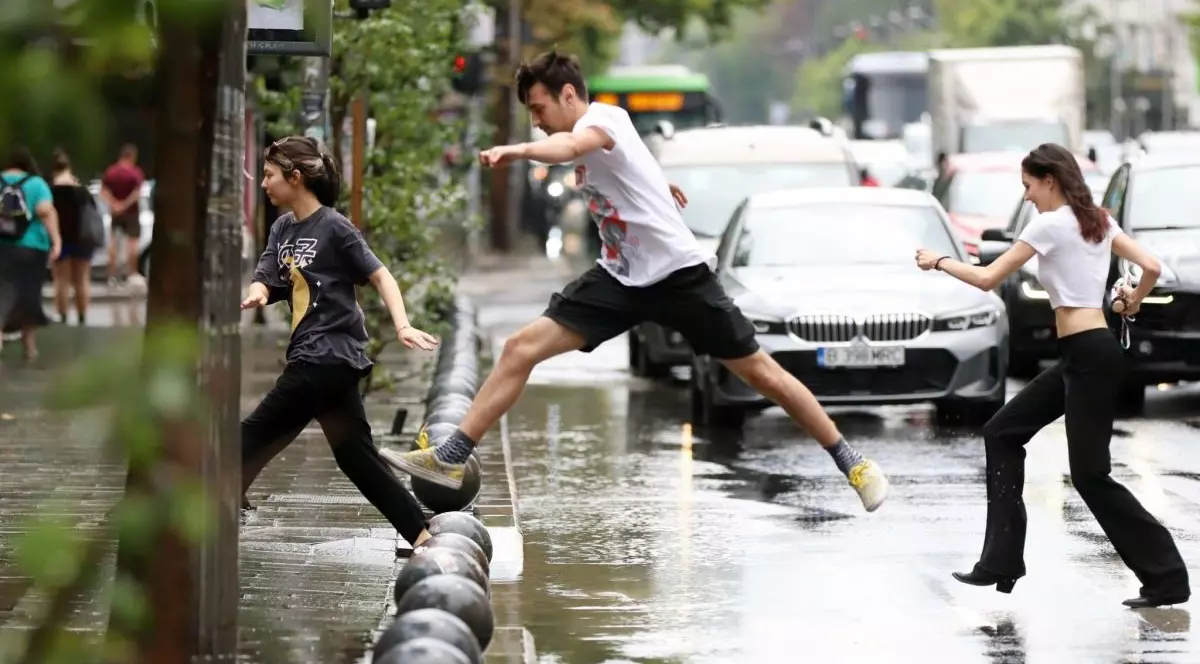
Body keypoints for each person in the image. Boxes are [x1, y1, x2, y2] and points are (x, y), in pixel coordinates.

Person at [382, 50, 891, 513]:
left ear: (568, 95)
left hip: (678, 277)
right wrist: (656, 184)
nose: (537, 123)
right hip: (620, 279)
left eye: (539, 110)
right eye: (530, 117)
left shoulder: (600, 119)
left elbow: (570, 144)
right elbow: (626, 163)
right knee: (519, 348)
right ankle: (450, 456)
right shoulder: (609, 132)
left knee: (761, 373)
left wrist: (513, 152)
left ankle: (854, 464)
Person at [914, 143, 1190, 608]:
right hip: (1086, 354)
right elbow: (1152, 267)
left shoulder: (1049, 224)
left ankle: (1167, 577)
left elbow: (987, 278)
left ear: (1050, 180)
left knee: (1090, 474)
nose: (1026, 197)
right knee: (1002, 432)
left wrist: (937, 261)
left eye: (1028, 186)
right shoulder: (1098, 220)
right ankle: (1000, 561)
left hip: (1087, 355)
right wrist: (1134, 300)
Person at [239, 135, 442, 548]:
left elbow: (380, 274)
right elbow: (269, 276)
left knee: (249, 438)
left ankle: (214, 508)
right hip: (320, 363)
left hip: (324, 359)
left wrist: (401, 325)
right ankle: (422, 535)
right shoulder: (281, 227)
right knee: (355, 457)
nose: (264, 183)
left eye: (269, 175)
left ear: (295, 178)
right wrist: (260, 291)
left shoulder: (334, 226)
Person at [0, 147, 60, 360]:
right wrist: (56, 240)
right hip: (32, 246)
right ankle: (29, 347)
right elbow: (45, 210)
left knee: (3, 291)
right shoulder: (36, 183)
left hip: (2, 246)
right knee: (30, 294)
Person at [50, 149, 97, 325]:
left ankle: (62, 316)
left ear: (54, 170)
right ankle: (82, 316)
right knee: (82, 279)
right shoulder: (82, 191)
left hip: (60, 239)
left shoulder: (51, 191)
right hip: (82, 239)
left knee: (61, 279)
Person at [99, 143, 145, 290]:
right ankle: (131, 274)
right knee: (133, 243)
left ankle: (112, 276)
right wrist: (125, 205)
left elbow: (103, 191)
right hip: (131, 213)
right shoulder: (135, 172)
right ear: (132, 157)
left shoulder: (111, 172)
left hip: (115, 212)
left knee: (113, 243)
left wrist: (114, 204)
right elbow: (137, 192)